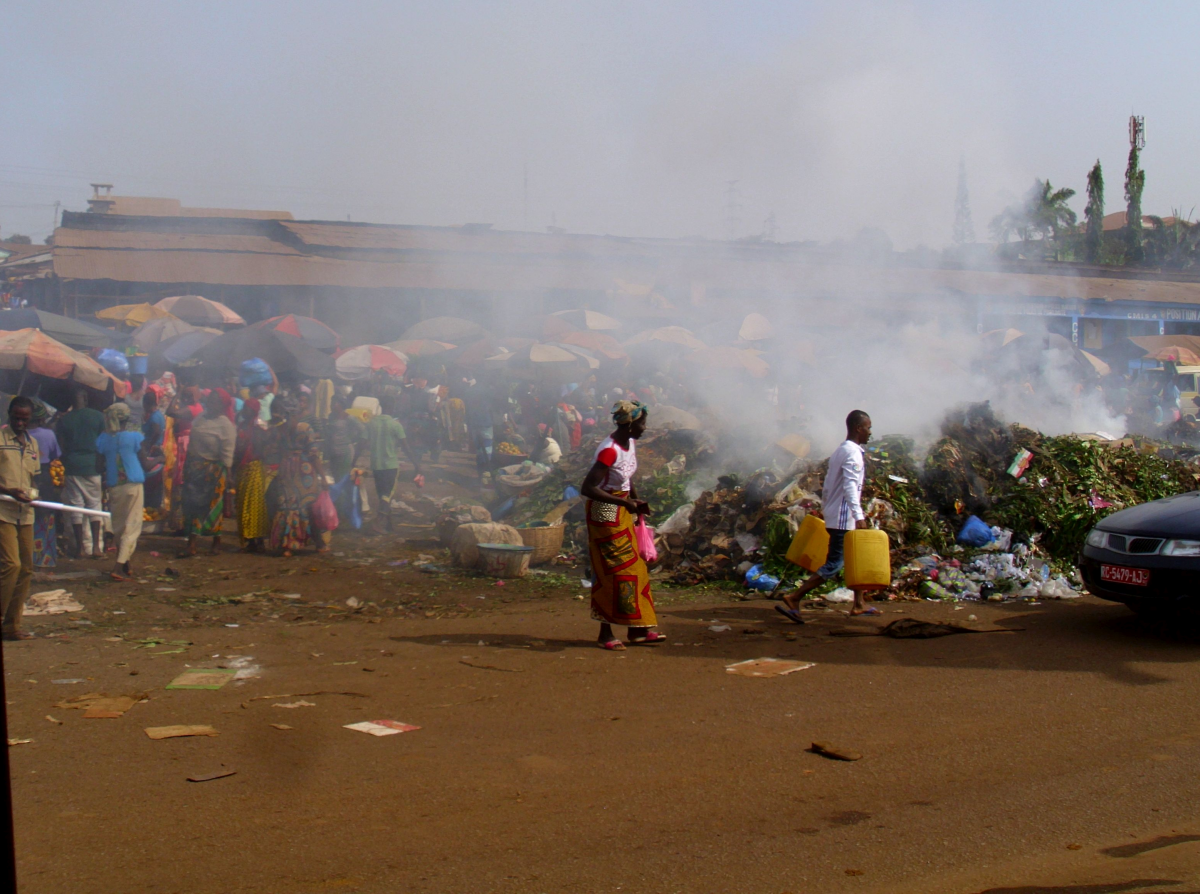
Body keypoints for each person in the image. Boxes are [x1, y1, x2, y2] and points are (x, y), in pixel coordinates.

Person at [580, 400, 666, 650]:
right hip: (604, 512)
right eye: (642, 423)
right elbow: (588, 488)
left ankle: (638, 630)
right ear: (629, 425)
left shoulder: (630, 443)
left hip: (622, 509)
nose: (645, 428)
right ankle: (605, 633)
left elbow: (627, 478)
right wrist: (625, 504)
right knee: (613, 571)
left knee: (636, 567)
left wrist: (635, 501)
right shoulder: (609, 450)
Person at [778, 409, 876, 621]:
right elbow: (850, 487)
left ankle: (859, 603)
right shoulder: (852, 454)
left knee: (853, 558)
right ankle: (795, 597)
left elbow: (829, 484)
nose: (870, 433)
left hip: (837, 513)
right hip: (844, 517)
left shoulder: (841, 450)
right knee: (834, 564)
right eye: (868, 428)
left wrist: (826, 508)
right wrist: (859, 516)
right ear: (859, 428)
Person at [265, 401, 326, 556]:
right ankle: (319, 544)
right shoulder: (305, 428)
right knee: (309, 505)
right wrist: (323, 476)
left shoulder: (280, 430)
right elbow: (314, 455)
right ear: (297, 414)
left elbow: (271, 450)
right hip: (305, 471)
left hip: (286, 470)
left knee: (288, 507)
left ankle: (288, 546)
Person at [0, 397, 39, 640]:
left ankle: (11, 625)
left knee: (26, 568)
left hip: (26, 514)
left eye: (25, 418)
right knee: (11, 565)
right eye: (16, 417)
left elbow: (34, 478)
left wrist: (33, 494)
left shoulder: (33, 444)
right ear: (9, 415)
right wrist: (8, 491)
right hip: (3, 511)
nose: (20, 422)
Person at [180, 391, 236, 557]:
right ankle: (192, 543)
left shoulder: (226, 425)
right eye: (209, 401)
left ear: (221, 405)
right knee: (193, 506)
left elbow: (227, 453)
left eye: (214, 401)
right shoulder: (200, 418)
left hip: (215, 472)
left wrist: (229, 475)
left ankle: (215, 542)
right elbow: (192, 445)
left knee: (214, 508)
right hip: (195, 469)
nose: (210, 404)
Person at [96, 403, 147, 581]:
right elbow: (146, 463)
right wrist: (160, 457)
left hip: (114, 486)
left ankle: (126, 564)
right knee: (131, 527)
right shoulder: (135, 437)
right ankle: (118, 568)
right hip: (133, 485)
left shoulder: (103, 438)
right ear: (126, 418)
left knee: (118, 526)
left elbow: (98, 465)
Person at [57, 388, 106, 558]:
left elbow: (61, 448)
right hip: (93, 465)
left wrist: (68, 461)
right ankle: (96, 549)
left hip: (72, 467)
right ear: (85, 398)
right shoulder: (99, 417)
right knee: (94, 505)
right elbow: (104, 442)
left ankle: (79, 549)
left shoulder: (65, 420)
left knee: (76, 507)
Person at [366, 397, 420, 531]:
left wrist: (354, 460)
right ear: (392, 408)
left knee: (383, 495)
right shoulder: (395, 425)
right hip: (390, 466)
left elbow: (362, 441)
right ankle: (378, 522)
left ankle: (388, 525)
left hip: (376, 465)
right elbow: (406, 447)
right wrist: (416, 464)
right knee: (387, 495)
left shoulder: (371, 423)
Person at [28, 402, 61, 568]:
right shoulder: (48, 434)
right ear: (41, 418)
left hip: (25, 477)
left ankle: (27, 557)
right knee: (46, 516)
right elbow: (56, 454)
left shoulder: (19, 433)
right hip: (44, 477)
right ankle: (44, 559)